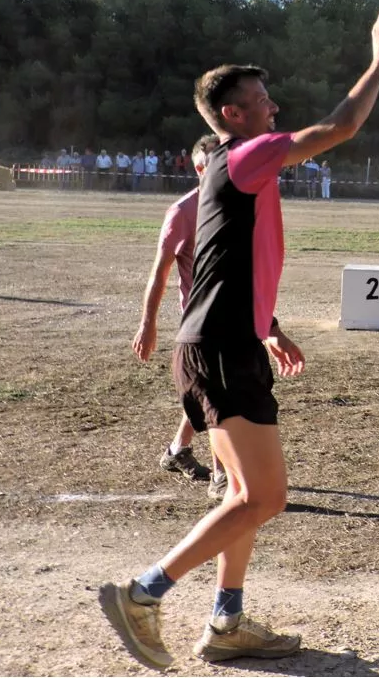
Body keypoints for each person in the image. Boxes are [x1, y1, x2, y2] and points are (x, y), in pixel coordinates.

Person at [98, 8, 379, 670]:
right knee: (265, 497)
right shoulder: (247, 156)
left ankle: (227, 619)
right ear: (233, 115)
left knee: (243, 495)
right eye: (262, 101)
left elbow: (232, 267)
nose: (274, 107)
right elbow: (340, 126)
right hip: (224, 349)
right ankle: (145, 593)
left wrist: (273, 327)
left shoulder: (227, 175)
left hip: (220, 342)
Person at [133, 135, 227, 499]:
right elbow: (160, 273)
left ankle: (177, 451)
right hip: (200, 322)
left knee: (206, 391)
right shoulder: (183, 212)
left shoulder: (233, 206)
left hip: (231, 315)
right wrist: (148, 323)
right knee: (217, 394)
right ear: (201, 168)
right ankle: (222, 477)